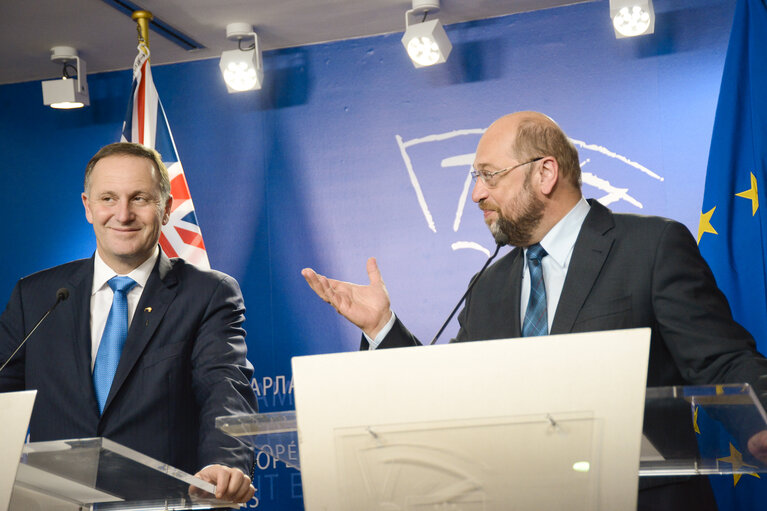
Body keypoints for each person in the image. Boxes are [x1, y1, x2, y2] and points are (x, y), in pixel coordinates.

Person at [302, 111, 767, 510]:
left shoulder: (650, 247)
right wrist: (382, 327)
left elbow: (721, 359)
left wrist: (761, 419)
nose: (476, 195)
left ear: (545, 173)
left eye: (488, 175)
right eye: (475, 179)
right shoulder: (488, 287)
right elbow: (446, 397)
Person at [0, 142, 257, 503]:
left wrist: (223, 463)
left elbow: (225, 390)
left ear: (166, 209)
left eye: (139, 198)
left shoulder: (208, 294)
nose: (122, 214)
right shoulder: (37, 297)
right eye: (108, 198)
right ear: (88, 207)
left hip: (163, 504)